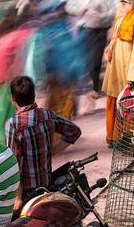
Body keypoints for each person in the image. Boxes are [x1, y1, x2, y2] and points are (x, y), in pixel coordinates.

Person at [5, 76, 81, 210]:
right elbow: (74, 131)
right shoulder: (47, 116)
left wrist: (17, 198)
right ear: (34, 95)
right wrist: (53, 151)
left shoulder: (13, 124)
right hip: (46, 184)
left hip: (27, 192)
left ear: (12, 98)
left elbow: (14, 164)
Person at [102, 0, 134, 146]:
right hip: (115, 65)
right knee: (114, 99)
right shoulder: (121, 12)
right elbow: (116, 35)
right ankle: (115, 138)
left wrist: (132, 76)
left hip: (129, 69)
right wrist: (110, 47)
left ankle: (131, 139)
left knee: (129, 103)